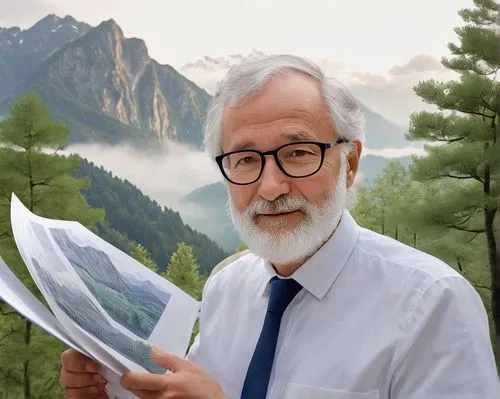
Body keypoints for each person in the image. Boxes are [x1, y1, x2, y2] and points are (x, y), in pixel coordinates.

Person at [58, 54, 500, 399]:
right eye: (246, 159)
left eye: (298, 152)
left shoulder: (432, 305)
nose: (270, 187)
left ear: (349, 163)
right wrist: (115, 386)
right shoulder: (224, 289)